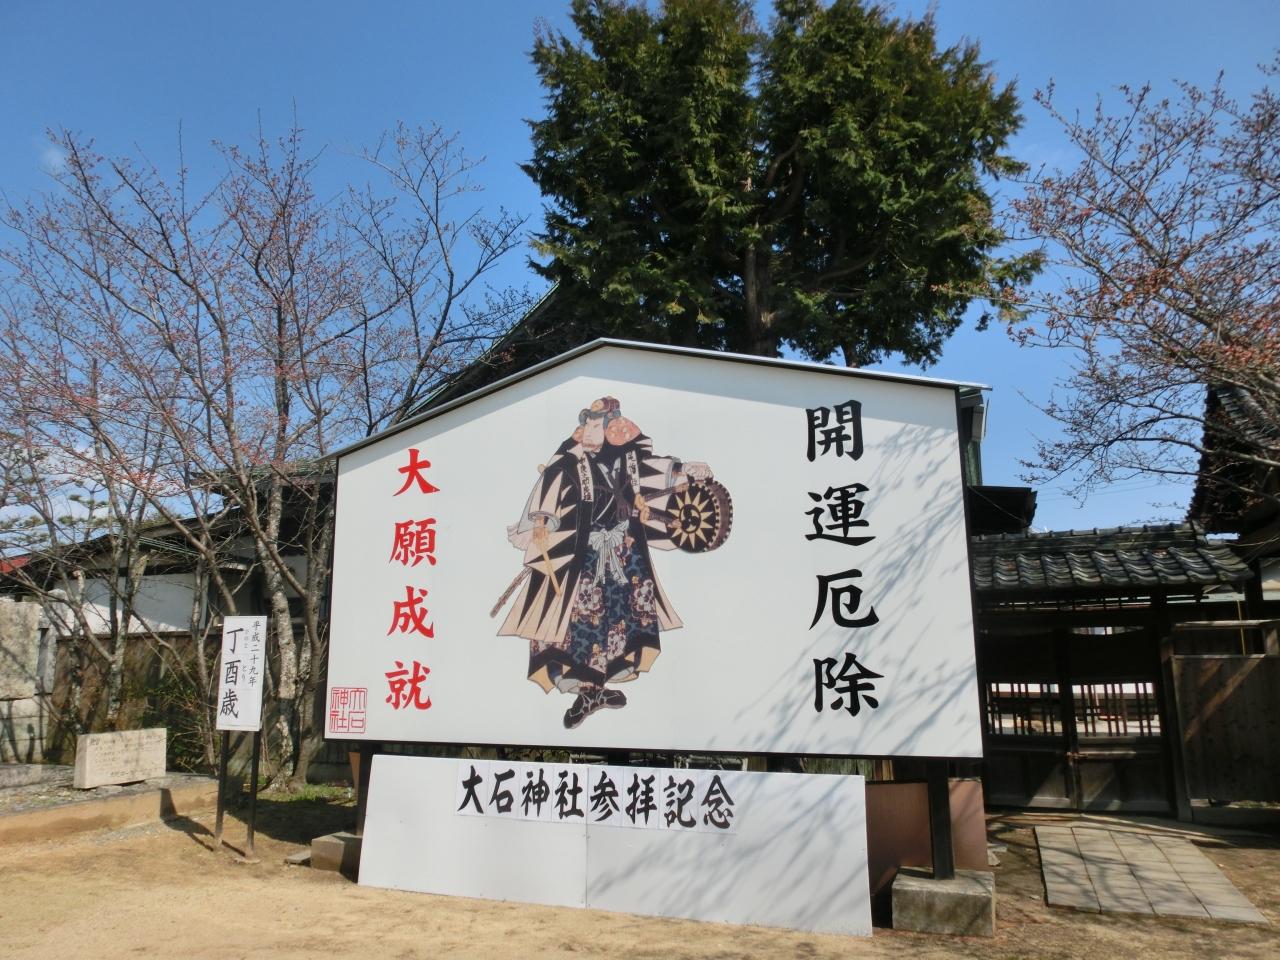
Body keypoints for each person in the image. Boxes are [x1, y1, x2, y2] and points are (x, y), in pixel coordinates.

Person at [498, 397, 713, 728]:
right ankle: (588, 690)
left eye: (596, 425)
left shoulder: (629, 457)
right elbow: (552, 480)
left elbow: (653, 472)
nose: (589, 431)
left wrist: (684, 470)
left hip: (625, 549)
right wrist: (542, 519)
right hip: (582, 553)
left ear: (613, 427)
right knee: (582, 621)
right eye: (587, 424)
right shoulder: (572, 458)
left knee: (623, 618)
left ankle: (596, 689)